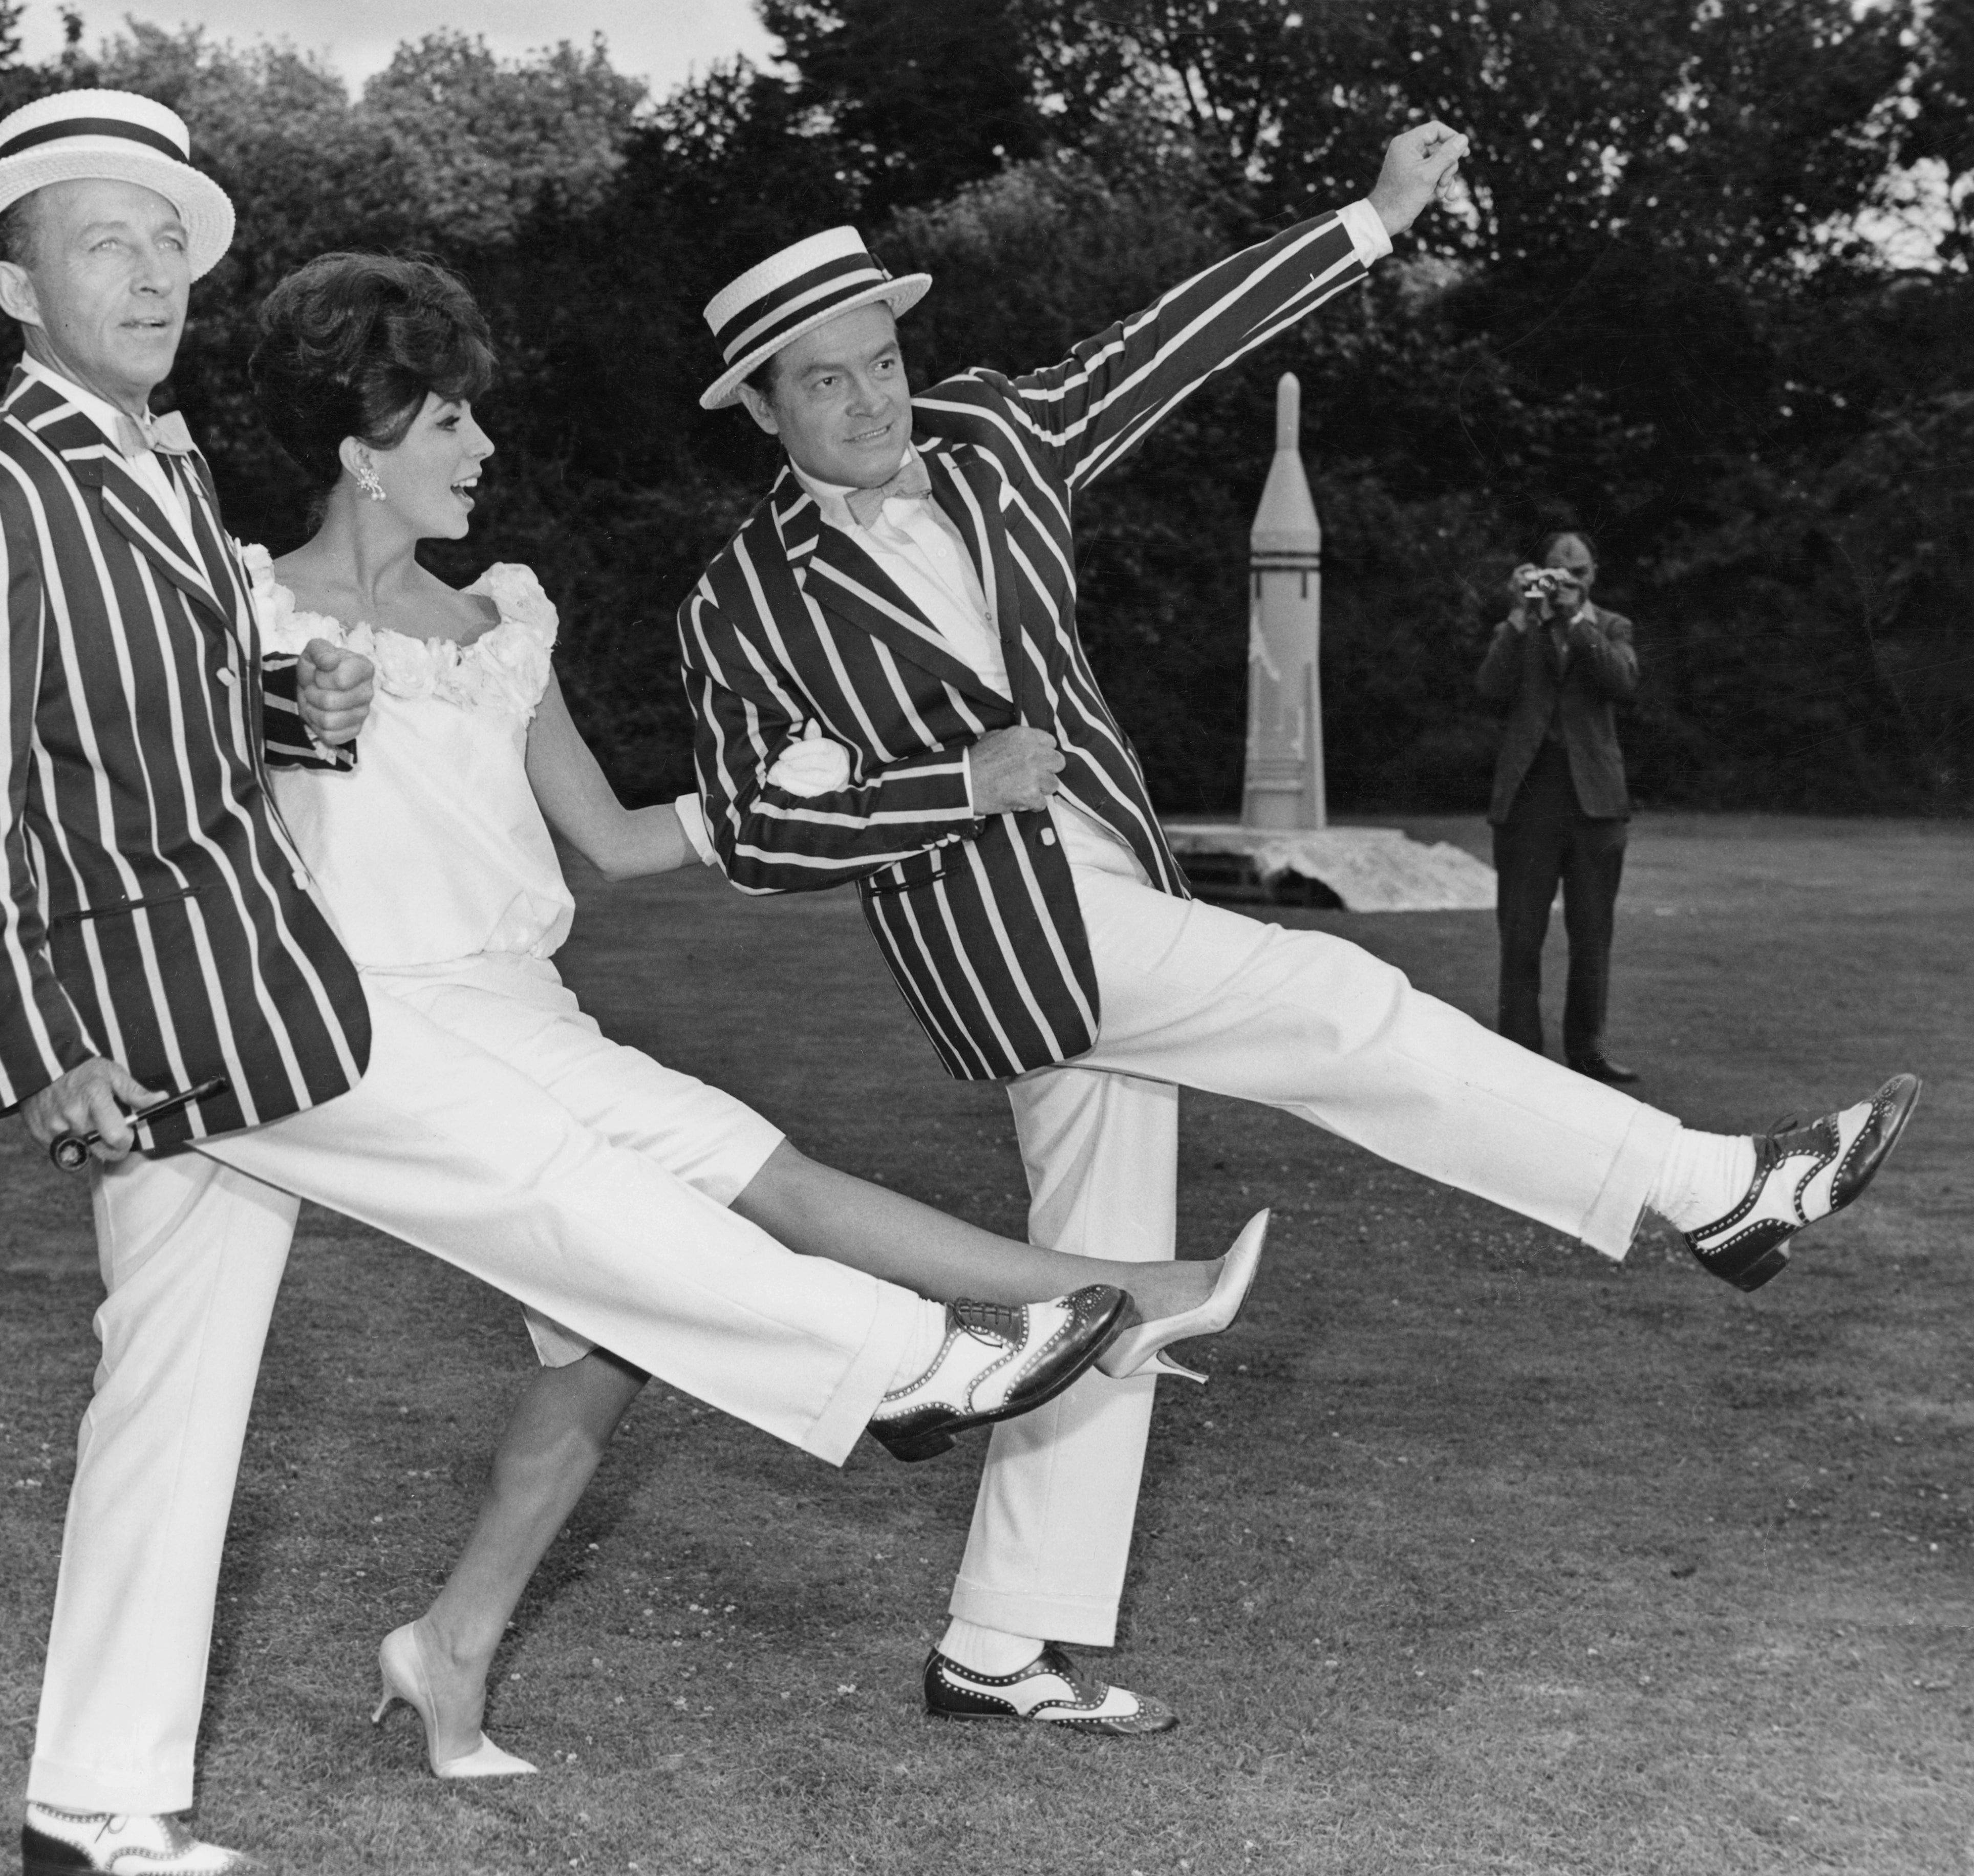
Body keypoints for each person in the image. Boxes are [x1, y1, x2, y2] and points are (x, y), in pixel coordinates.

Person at [0, 88, 1137, 1876]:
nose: (144, 272)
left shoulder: (151, 465)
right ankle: (918, 1363)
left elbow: (143, 722)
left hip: (230, 985)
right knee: (551, 1184)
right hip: (200, 1012)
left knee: (166, 1395)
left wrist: (264, 716)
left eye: (164, 239)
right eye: (99, 240)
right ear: (16, 278)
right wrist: (30, 1045)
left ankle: (91, 1797)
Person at [669, 120, 1921, 1730]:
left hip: (1117, 887)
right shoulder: (736, 602)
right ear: (761, 411)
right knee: (1338, 1001)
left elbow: (1170, 342)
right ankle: (1711, 1188)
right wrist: (950, 783)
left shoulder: (991, 435)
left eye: (881, 357)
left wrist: (1373, 220)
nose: (873, 396)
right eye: (827, 382)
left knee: (1112, 1284)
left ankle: (995, 1644)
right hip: (1009, 947)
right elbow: (762, 838)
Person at [243, 250, 1273, 1764]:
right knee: (720, 1219)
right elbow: (196, 793)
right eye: (450, 424)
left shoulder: (497, 623)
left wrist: (796, 791)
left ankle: (445, 1645)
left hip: (522, 1013)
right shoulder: (244, 616)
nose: (483, 450)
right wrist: (286, 719)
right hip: (391, 1035)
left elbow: (613, 839)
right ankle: (1074, 1309)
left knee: (618, 1332)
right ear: (362, 449)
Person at [1478, 531, 1640, 1083]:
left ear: (1593, 574)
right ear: (1538, 571)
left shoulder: (1612, 627)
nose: (1566, 579)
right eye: (1555, 569)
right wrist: (1523, 618)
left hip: (1595, 803)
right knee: (1521, 932)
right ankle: (1520, 1052)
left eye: (1577, 571)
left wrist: (1576, 621)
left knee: (1592, 934)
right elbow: (1491, 690)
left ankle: (1587, 1050)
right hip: (1529, 800)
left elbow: (1621, 683)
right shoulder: (1519, 626)